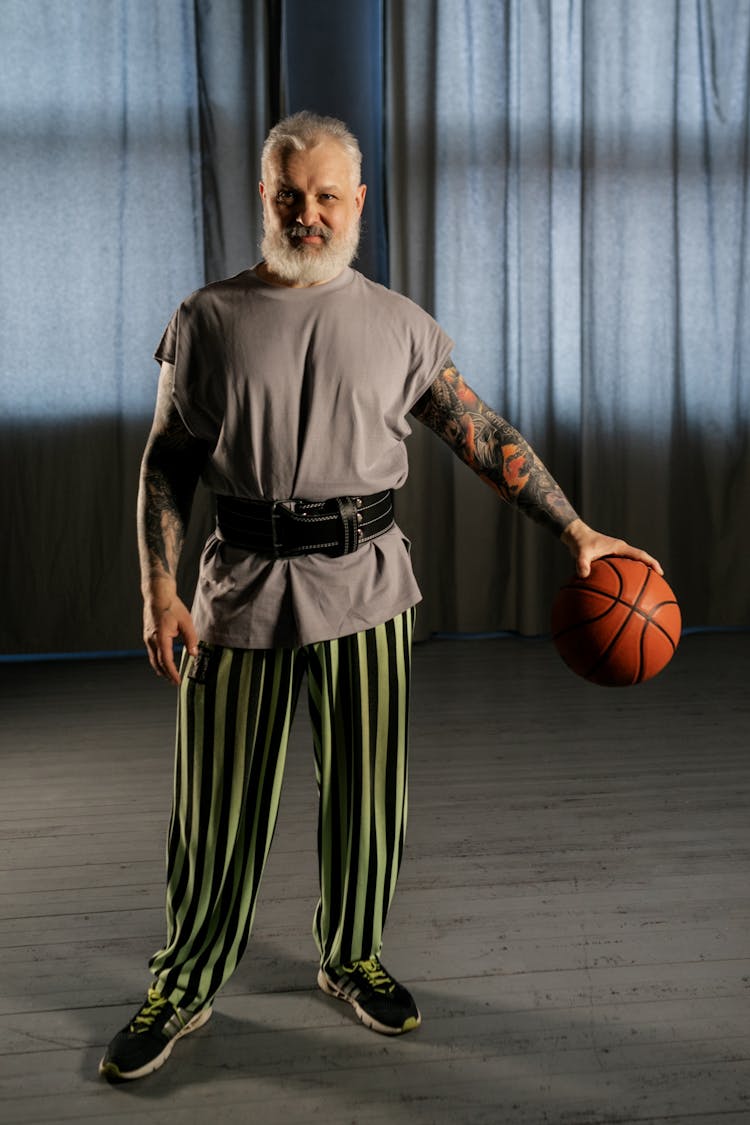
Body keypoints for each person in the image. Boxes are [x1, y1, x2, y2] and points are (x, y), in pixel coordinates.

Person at [99, 112, 661, 1082]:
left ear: (357, 203)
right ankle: (185, 982)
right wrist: (159, 587)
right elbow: (166, 464)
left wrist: (576, 530)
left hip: (367, 586)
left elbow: (483, 435)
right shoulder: (206, 319)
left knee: (367, 799)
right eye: (290, 195)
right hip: (238, 591)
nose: (308, 213)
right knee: (217, 807)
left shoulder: (401, 324)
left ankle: (350, 957)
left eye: (326, 196)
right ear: (264, 197)